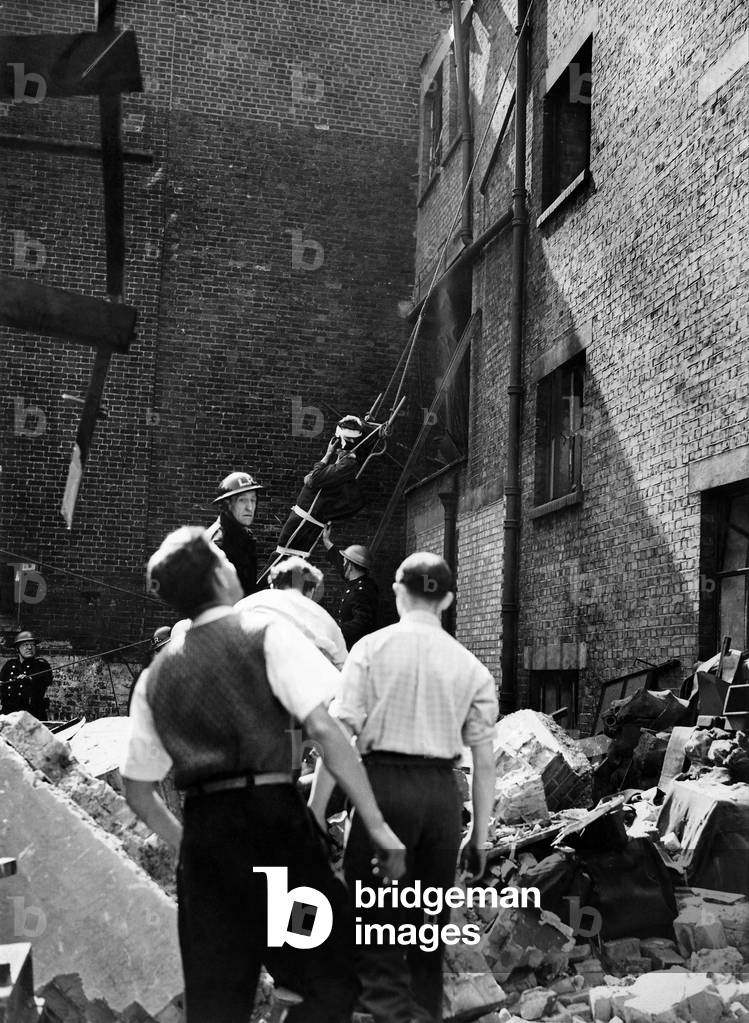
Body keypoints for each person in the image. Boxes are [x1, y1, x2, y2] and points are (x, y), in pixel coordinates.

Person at [121, 526, 405, 1023]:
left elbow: (137, 789)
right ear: (218, 578)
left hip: (208, 839)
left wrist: (188, 845)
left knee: (217, 1002)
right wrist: (377, 824)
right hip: (275, 832)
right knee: (328, 973)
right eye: (226, 561)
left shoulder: (155, 676)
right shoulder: (266, 637)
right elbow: (326, 729)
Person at [312, 552, 498, 1023]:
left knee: (375, 929)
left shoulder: (369, 650)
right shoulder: (472, 667)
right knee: (426, 936)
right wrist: (479, 835)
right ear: (448, 600)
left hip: (383, 788)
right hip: (441, 798)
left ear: (397, 593)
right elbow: (483, 762)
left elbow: (338, 735)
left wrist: (315, 810)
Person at [276, 415, 370, 558]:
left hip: (304, 522)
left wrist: (327, 454)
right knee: (285, 559)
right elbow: (310, 478)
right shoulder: (341, 461)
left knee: (282, 559)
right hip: (303, 519)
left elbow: (313, 479)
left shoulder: (346, 465)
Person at [237, 556, 347, 669]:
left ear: (273, 585)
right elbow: (343, 666)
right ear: (311, 591)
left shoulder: (247, 603)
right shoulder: (325, 619)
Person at [206, 471, 264, 595]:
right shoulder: (217, 544)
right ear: (227, 504)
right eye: (242, 500)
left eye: (253, 500)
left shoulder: (244, 535)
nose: (249, 507)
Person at [322, 526, 379, 649]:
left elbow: (361, 623)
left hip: (356, 648)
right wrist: (326, 541)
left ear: (350, 565)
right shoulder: (355, 583)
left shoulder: (363, 590)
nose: (342, 564)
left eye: (345, 562)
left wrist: (335, 630)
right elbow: (338, 561)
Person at [0, 631, 54, 720]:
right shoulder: (9, 665)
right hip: (9, 714)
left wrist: (29, 680)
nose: (29, 648)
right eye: (25, 645)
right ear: (17, 648)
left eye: (32, 645)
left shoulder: (42, 666)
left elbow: (45, 682)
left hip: (33, 715)